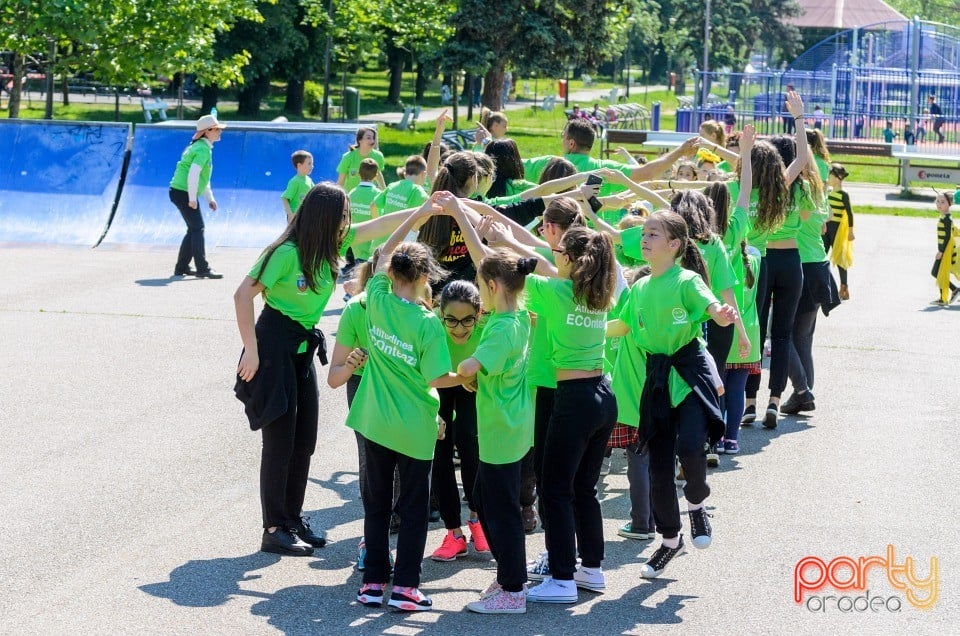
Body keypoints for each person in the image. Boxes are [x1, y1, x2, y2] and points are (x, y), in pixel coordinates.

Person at [233, 183, 428, 559]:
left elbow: (381, 232)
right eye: (341, 216)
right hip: (272, 345)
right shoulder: (285, 253)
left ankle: (291, 519)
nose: (346, 223)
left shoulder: (333, 246)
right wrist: (252, 352)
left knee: (303, 441)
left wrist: (422, 213)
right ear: (323, 217)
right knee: (279, 442)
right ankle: (273, 528)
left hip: (302, 346)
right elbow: (243, 295)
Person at [347, 198, 468, 611]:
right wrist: (468, 379)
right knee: (414, 509)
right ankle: (405, 588)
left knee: (377, 505)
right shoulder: (427, 322)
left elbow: (381, 253)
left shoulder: (376, 298)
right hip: (415, 426)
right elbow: (437, 378)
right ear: (425, 279)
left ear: (392, 273)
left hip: (374, 421)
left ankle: (372, 583)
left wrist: (416, 216)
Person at [606, 211, 737, 578]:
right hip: (657, 378)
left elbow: (710, 305)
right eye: (644, 234)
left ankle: (696, 503)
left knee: (692, 447)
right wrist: (587, 330)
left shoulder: (687, 279)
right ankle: (669, 541)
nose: (644, 239)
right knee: (659, 470)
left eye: (653, 234)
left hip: (689, 371)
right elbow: (622, 325)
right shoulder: (641, 287)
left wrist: (721, 313)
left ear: (675, 245)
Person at [506, 226, 619, 604]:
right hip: (603, 394)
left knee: (554, 490)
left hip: (573, 400)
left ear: (568, 258)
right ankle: (591, 571)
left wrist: (477, 229)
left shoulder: (557, 292)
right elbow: (536, 259)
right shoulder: (599, 294)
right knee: (583, 490)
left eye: (558, 250)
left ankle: (562, 579)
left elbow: (506, 268)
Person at [428, 279, 489, 562]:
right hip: (440, 386)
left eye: (467, 320)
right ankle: (453, 533)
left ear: (479, 313)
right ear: (440, 313)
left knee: (471, 447)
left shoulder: (489, 325)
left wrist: (472, 377)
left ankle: (478, 522)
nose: (459, 329)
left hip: (473, 387)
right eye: (451, 320)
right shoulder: (430, 325)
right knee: (440, 457)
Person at [780, 159, 841, 415]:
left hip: (802, 265)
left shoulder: (799, 193)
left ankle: (803, 388)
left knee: (782, 334)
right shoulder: (820, 193)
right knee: (802, 336)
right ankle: (802, 392)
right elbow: (822, 223)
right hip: (819, 266)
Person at [522, 118, 700, 196]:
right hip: (593, 237)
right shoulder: (604, 169)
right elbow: (646, 173)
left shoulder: (547, 164)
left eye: (563, 137)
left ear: (571, 143)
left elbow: (510, 164)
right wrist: (680, 151)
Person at [169, 114, 226, 279]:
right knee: (198, 228)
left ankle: (182, 267)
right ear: (207, 132)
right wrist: (192, 199)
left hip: (180, 192)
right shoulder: (202, 149)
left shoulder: (201, 147)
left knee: (193, 229)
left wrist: (210, 199)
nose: (219, 132)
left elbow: (202, 179)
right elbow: (193, 174)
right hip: (183, 192)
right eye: (216, 129)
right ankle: (203, 268)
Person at [824, 163, 854, 300]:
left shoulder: (844, 195)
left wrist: (850, 231)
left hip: (837, 230)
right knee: (821, 256)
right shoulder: (828, 193)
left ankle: (844, 286)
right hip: (826, 228)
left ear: (838, 178)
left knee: (840, 259)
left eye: (830, 175)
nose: (828, 178)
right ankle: (823, 284)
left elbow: (850, 214)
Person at [346, 158, 382, 263]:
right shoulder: (378, 194)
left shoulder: (351, 193)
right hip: (372, 245)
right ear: (376, 176)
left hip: (355, 242)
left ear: (358, 174)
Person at [337, 127, 386, 193]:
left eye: (373, 138)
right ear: (359, 140)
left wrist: (385, 192)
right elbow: (340, 181)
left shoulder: (378, 156)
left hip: (369, 196)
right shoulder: (348, 157)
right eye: (368, 138)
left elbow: (378, 174)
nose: (372, 141)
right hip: (351, 197)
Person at [931, 191, 959, 305]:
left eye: (942, 202)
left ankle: (945, 297)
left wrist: (941, 251)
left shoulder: (946, 219)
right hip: (945, 250)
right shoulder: (945, 217)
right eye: (937, 201)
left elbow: (947, 236)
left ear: (949, 204)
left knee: (936, 272)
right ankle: (953, 291)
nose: (939, 204)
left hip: (945, 251)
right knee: (938, 272)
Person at [281, 150, 314, 225]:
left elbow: (315, 193)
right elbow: (284, 198)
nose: (312, 166)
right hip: (295, 217)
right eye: (309, 163)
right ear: (299, 165)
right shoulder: (295, 181)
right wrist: (290, 214)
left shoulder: (309, 180)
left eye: (312, 163)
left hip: (305, 216)